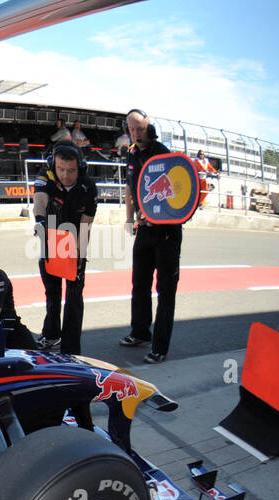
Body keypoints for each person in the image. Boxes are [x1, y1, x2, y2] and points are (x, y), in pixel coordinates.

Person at [120, 108, 181, 364]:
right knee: (139, 283)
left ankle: (160, 347)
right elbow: (130, 189)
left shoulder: (163, 154)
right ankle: (140, 332)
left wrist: (157, 215)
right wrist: (129, 218)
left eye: (140, 129)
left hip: (167, 232)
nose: (136, 134)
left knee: (165, 290)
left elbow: (177, 192)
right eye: (132, 129)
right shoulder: (132, 154)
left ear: (149, 129)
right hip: (144, 230)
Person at [31, 142, 97, 355]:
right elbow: (40, 200)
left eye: (71, 170)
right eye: (61, 169)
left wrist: (78, 257)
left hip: (75, 241)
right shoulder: (45, 175)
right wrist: (40, 221)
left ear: (81, 168)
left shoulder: (88, 187)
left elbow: (86, 224)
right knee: (52, 293)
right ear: (53, 166)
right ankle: (51, 334)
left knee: (74, 298)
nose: (66, 175)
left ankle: (70, 349)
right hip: (50, 239)